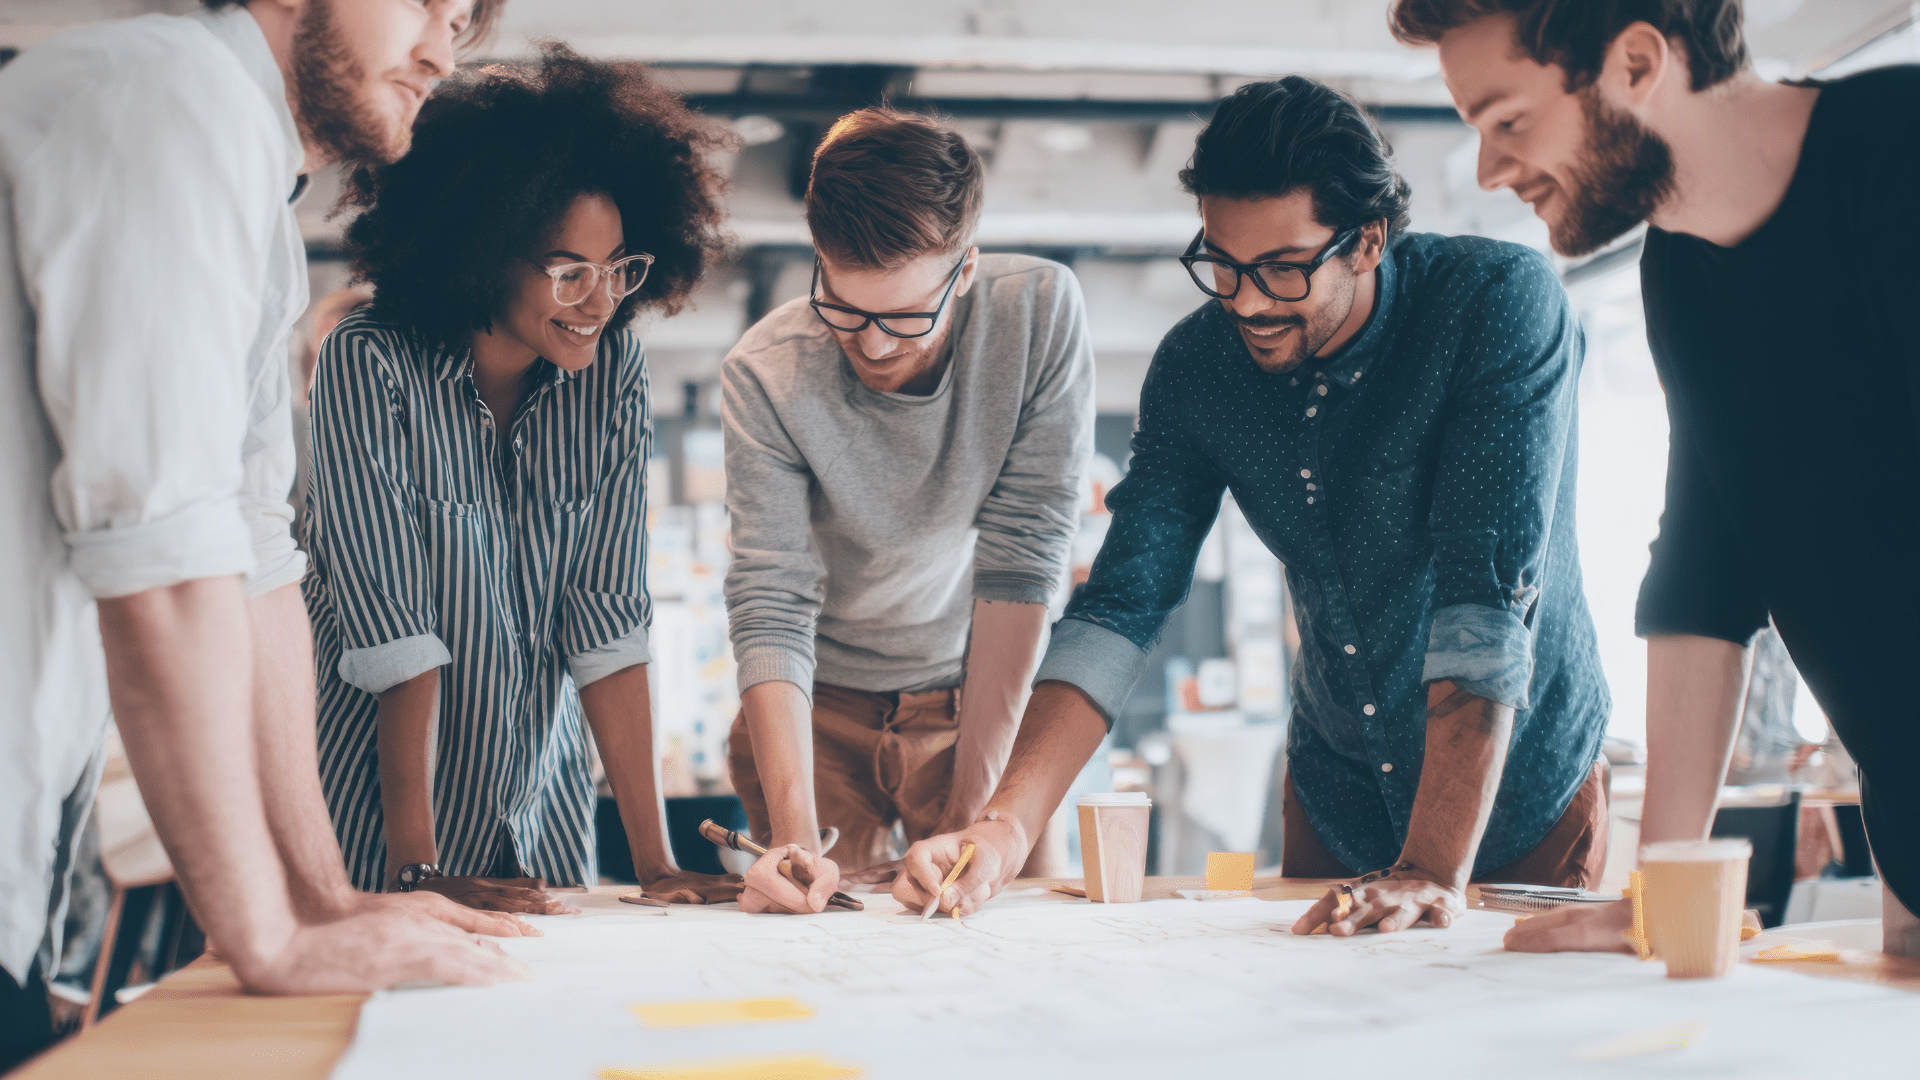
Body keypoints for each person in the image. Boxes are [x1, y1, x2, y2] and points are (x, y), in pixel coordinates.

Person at [894, 77, 1610, 933]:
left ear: (1367, 240)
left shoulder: (1494, 304)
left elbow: (1484, 602)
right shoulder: (1198, 369)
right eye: (1224, 265)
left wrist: (1428, 870)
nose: (1248, 302)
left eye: (1282, 269)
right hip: (1339, 792)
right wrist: (1004, 828)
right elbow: (1121, 605)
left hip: (1518, 792)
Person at [0, 0, 522, 1066]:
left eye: (461, 19)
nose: (440, 50)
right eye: (421, 1)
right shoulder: (165, 96)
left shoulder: (251, 178)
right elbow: (163, 560)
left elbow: (255, 561)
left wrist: (322, 898)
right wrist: (264, 936)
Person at [1392, 0, 1920, 958]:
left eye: (1508, 121)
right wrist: (1657, 893)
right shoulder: (1682, 267)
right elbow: (1705, 575)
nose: (1489, 170)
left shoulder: (1900, 148)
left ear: (1637, 64)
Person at [306, 45, 739, 911]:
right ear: (483, 250)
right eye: (569, 272)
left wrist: (654, 864)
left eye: (618, 268)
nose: (601, 301)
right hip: (381, 838)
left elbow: (608, 621)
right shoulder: (369, 362)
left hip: (541, 826)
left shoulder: (612, 374)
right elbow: (396, 635)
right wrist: (419, 870)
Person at [721, 109, 1094, 914]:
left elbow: (1024, 556)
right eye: (844, 308)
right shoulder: (765, 373)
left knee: (1006, 922)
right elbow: (771, 596)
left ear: (965, 270)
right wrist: (794, 841)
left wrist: (973, 821)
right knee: (814, 932)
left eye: (906, 318)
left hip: (974, 696)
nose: (875, 344)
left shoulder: (1037, 313)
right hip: (818, 713)